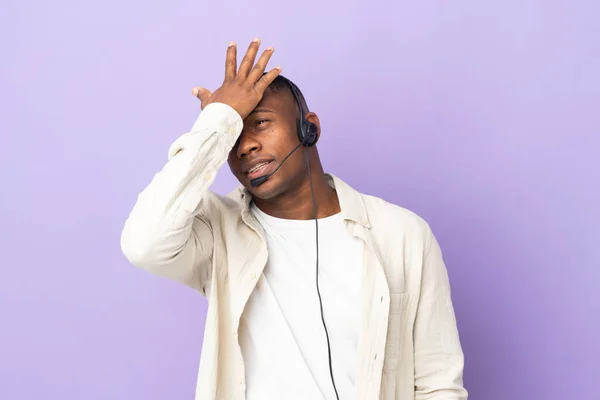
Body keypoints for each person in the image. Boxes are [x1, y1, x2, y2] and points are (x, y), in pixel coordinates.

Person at [120, 38, 468, 400]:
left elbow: (437, 384)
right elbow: (143, 244)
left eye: (261, 123)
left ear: (309, 128)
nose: (245, 146)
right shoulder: (215, 231)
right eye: (234, 137)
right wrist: (215, 123)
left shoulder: (402, 234)